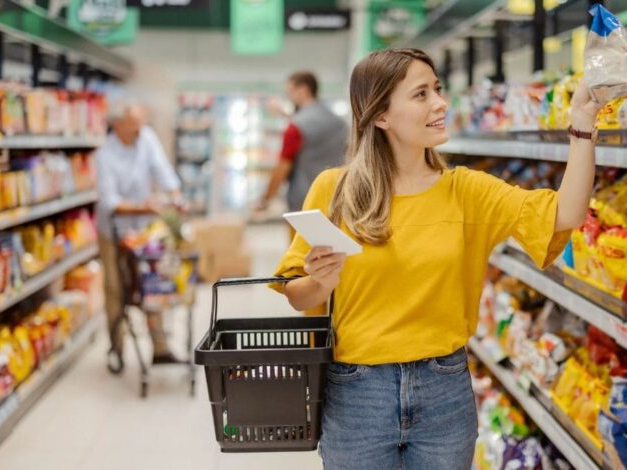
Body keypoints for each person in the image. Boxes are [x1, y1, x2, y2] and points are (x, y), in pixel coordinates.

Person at [272, 49, 604, 469]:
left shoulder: (466, 191)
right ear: (381, 116)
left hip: (444, 391)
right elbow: (298, 297)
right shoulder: (336, 190)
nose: (440, 103)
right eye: (421, 94)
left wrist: (584, 126)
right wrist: (320, 281)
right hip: (357, 392)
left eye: (438, 90)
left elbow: (566, 214)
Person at [96, 102, 183, 373]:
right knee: (115, 290)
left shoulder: (145, 138)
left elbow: (162, 170)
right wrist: (146, 206)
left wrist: (175, 194)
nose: (139, 130)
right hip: (114, 232)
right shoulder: (105, 154)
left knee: (152, 283)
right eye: (133, 125)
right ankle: (116, 348)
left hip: (144, 231)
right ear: (118, 126)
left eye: (140, 124)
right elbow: (111, 202)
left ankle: (160, 348)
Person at [256, 71, 348, 217]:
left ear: (303, 90)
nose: (288, 97)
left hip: (304, 204)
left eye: (290, 92)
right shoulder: (339, 123)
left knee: (301, 240)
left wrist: (265, 199)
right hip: (337, 199)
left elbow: (283, 166)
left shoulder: (295, 127)